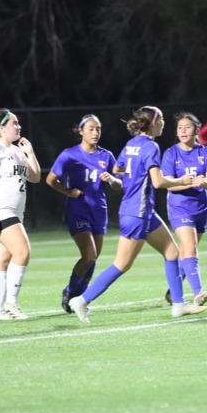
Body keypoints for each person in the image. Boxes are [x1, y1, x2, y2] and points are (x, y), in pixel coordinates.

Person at [69, 106, 207, 323]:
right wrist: (181, 180)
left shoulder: (132, 144)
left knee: (172, 252)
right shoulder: (151, 146)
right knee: (122, 264)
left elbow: (118, 169)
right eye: (161, 119)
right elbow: (158, 182)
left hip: (143, 211)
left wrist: (134, 173)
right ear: (153, 123)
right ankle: (82, 300)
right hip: (137, 212)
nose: (163, 123)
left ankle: (179, 305)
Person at [46, 114, 122, 314]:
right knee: (89, 255)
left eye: (98, 129)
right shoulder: (69, 155)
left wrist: (112, 180)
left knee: (93, 258)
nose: (95, 132)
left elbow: (120, 184)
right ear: (81, 131)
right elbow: (51, 179)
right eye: (91, 129)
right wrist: (68, 191)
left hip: (99, 211)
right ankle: (70, 291)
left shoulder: (106, 156)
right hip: (78, 209)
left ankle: (79, 298)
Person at [0, 108, 41, 321]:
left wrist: (30, 153)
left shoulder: (16, 150)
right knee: (22, 252)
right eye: (14, 123)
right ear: (2, 128)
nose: (19, 126)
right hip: (0, 210)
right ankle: (11, 303)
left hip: (14, 212)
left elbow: (35, 177)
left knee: (2, 260)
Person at [161, 112, 207, 307]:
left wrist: (204, 183)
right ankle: (198, 292)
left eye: (187, 127)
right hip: (179, 208)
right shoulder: (171, 154)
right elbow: (170, 185)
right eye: (180, 127)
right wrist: (187, 182)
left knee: (187, 251)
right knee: (190, 247)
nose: (183, 131)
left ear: (196, 130)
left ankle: (173, 291)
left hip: (201, 208)